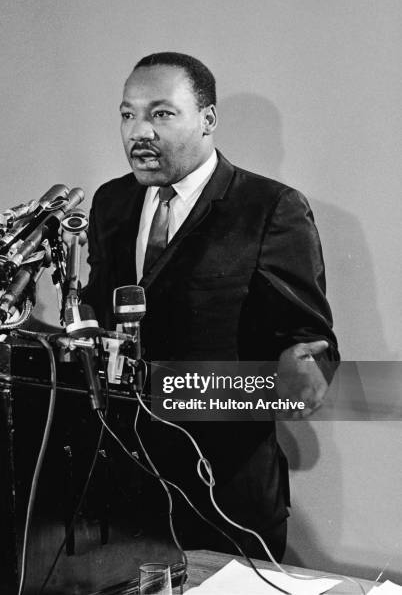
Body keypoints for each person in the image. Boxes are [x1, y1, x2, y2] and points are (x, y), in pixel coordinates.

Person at [83, 52, 339, 561]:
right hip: (125, 493)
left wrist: (293, 373)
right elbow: (98, 312)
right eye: (127, 114)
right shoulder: (110, 202)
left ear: (208, 120)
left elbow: (313, 352)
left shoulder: (271, 209)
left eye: (161, 114)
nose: (139, 131)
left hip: (227, 499)